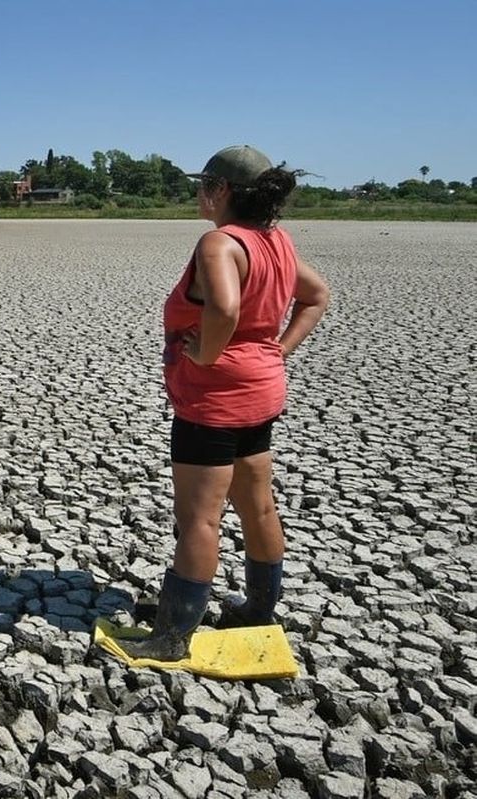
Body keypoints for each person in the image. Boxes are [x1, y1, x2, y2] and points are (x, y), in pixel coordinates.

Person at [117, 145, 330, 661]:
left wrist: (207, 354)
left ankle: (171, 638)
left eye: (203, 184)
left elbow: (226, 307)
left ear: (222, 190)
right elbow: (316, 294)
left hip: (214, 400)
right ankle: (259, 612)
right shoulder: (274, 240)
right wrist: (276, 350)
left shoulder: (220, 242)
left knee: (200, 519)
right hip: (261, 390)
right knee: (257, 504)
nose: (198, 193)